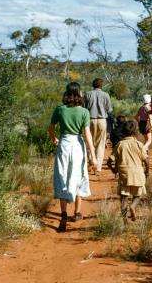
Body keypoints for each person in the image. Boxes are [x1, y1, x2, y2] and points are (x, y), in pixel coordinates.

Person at [48, 82, 98, 233]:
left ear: (67, 94)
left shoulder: (60, 109)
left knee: (62, 175)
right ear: (79, 94)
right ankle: (77, 212)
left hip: (64, 143)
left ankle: (63, 213)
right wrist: (93, 156)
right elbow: (87, 134)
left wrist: (53, 139)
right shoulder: (84, 112)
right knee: (78, 175)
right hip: (77, 145)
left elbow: (51, 128)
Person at [107, 120, 149, 221]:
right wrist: (147, 171)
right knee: (138, 194)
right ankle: (133, 206)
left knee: (123, 198)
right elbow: (146, 161)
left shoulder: (120, 144)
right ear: (135, 132)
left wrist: (113, 170)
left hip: (124, 174)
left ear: (123, 131)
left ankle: (124, 221)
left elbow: (109, 161)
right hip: (138, 173)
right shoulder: (139, 145)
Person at [84, 77, 113, 175]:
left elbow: (84, 108)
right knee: (100, 144)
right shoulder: (106, 95)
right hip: (101, 120)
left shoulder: (87, 94)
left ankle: (90, 162)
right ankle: (98, 168)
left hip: (89, 120)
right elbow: (109, 110)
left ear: (93, 85)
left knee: (89, 142)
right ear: (101, 85)